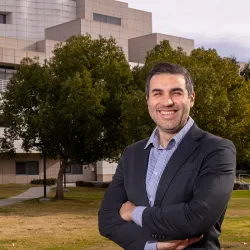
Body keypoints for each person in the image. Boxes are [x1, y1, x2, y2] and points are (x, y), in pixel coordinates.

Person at [98, 62, 236, 250]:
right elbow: (106, 219)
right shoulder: (132, 154)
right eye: (157, 93)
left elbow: (196, 218)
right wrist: (151, 246)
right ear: (148, 100)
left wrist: (134, 213)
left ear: (191, 98)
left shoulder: (217, 150)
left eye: (176, 92)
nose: (167, 102)